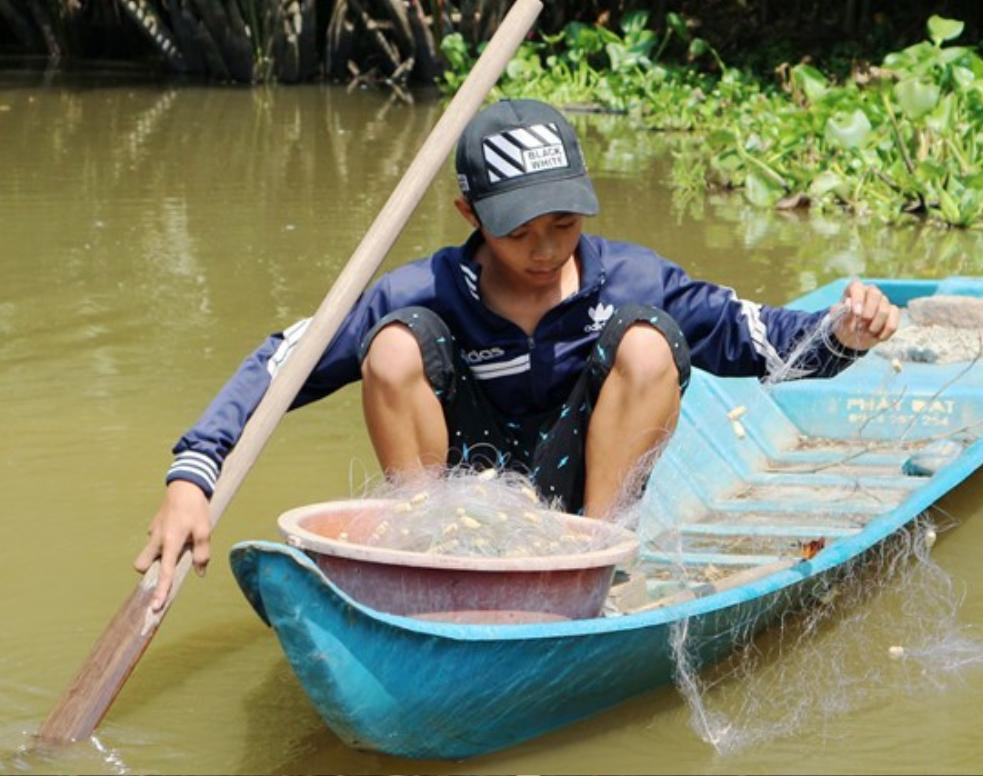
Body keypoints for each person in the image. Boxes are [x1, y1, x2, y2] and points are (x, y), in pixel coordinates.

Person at [135, 98, 900, 610]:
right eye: (517, 232)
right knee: (395, 347)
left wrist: (844, 331)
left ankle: (598, 572)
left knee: (647, 341)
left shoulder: (629, 276)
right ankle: (420, 561)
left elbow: (764, 341)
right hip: (454, 506)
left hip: (580, 512)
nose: (542, 251)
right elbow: (284, 360)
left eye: (563, 226)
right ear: (470, 213)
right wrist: (192, 474)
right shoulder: (432, 288)